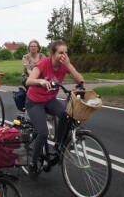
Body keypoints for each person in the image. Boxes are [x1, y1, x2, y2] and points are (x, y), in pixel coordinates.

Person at [24, 40, 84, 180]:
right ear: (52, 54)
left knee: (66, 114)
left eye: (66, 53)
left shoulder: (64, 65)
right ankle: (33, 163)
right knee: (43, 133)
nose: (64, 55)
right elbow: (29, 81)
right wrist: (41, 81)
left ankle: (59, 144)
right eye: (60, 53)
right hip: (34, 102)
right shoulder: (44, 63)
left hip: (50, 99)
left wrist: (69, 64)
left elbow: (80, 80)